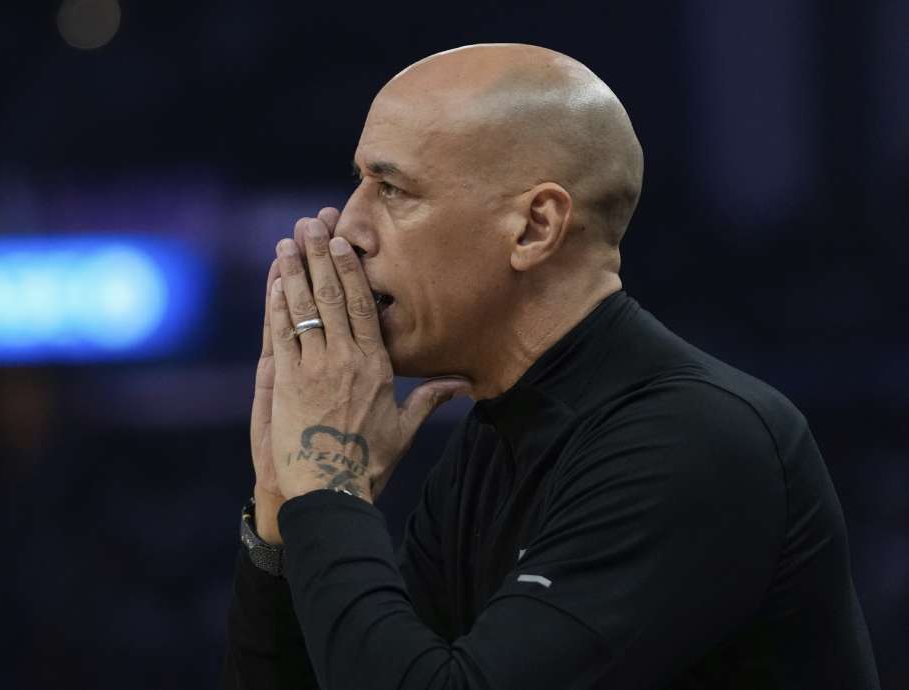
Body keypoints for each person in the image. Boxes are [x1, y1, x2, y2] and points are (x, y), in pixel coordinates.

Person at [222, 43, 880, 689]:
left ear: (536, 228)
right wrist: (283, 513)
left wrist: (327, 484)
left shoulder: (696, 438)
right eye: (361, 182)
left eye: (392, 188)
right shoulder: (489, 444)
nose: (348, 229)